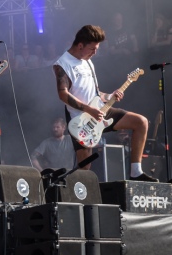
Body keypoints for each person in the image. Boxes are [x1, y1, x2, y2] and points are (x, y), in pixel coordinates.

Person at [53, 24, 156, 181]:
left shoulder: (88, 61)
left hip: (100, 111)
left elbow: (95, 92)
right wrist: (89, 110)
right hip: (80, 120)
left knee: (141, 122)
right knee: (85, 167)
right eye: (92, 49)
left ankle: (136, 172)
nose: (95, 52)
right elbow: (63, 94)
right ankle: (81, 198)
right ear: (80, 45)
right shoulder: (62, 64)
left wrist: (109, 96)